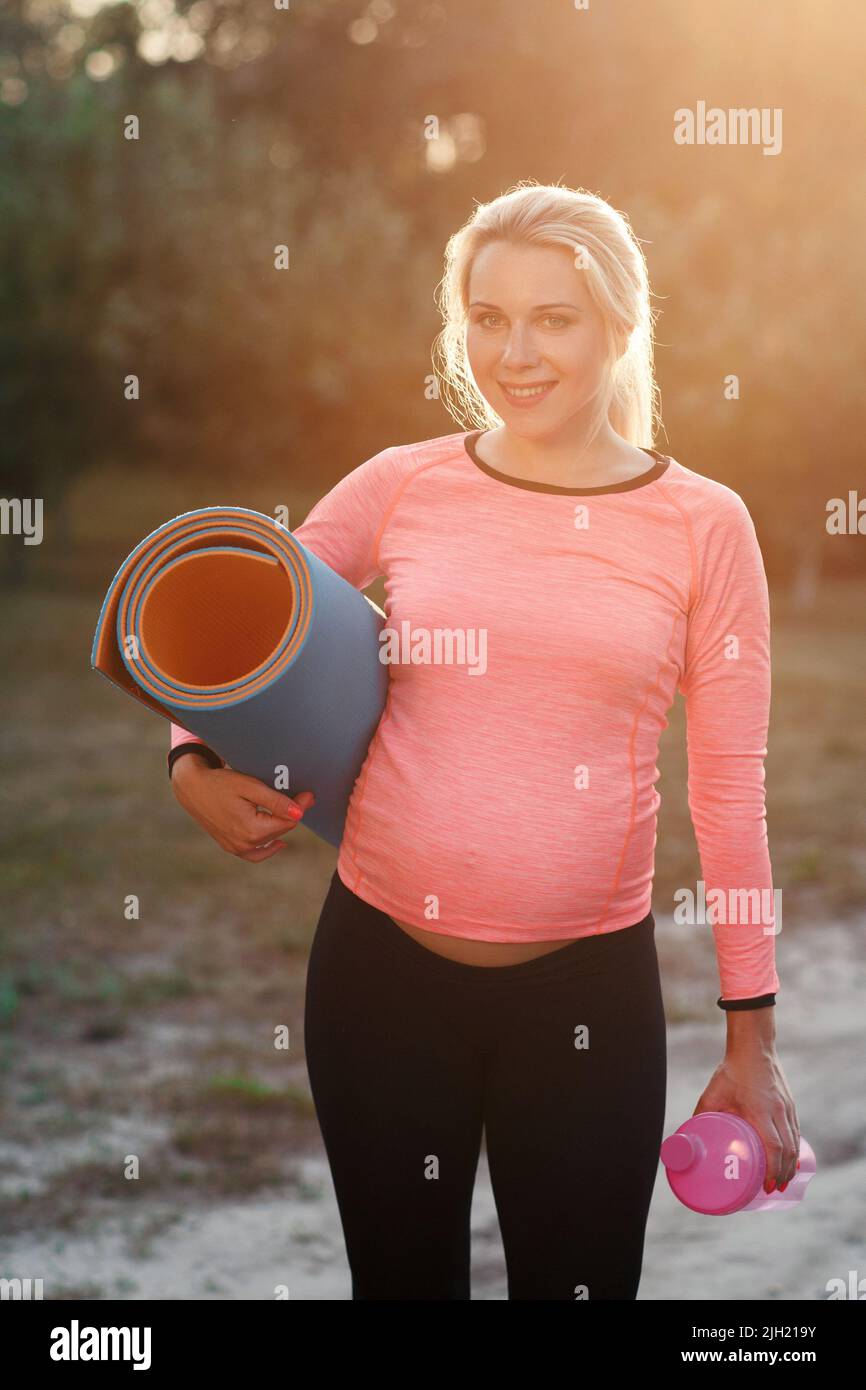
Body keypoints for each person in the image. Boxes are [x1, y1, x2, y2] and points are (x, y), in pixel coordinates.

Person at [167, 181, 800, 1300]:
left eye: (552, 317)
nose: (515, 351)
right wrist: (188, 761)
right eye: (489, 316)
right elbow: (234, 614)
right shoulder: (402, 482)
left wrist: (749, 1040)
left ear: (616, 323)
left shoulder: (705, 526)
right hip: (376, 983)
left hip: (586, 1004)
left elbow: (727, 795)